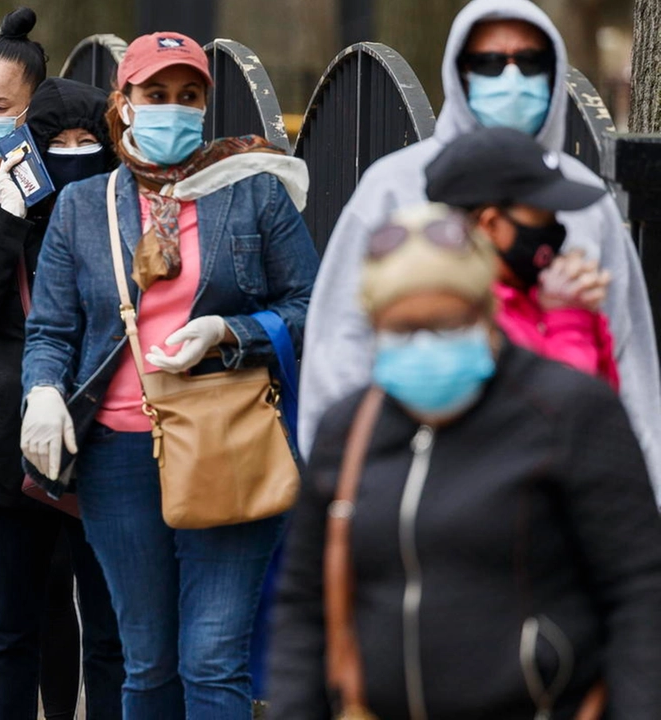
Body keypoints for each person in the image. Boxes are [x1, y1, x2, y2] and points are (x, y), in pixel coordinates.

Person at [20, 31, 318, 718]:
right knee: (146, 662)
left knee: (213, 662)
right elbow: (52, 328)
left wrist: (228, 333)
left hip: (229, 440)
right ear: (123, 103)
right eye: (156, 94)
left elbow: (312, 306)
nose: (173, 110)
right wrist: (41, 392)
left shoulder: (255, 194)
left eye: (189, 96)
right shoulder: (83, 207)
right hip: (116, 455)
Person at [270, 203, 661, 719]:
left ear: (485, 313)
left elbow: (639, 590)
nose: (426, 343)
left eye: (448, 323)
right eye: (404, 328)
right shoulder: (349, 429)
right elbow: (305, 599)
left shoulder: (569, 412)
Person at [298, 0, 661, 493]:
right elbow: (339, 343)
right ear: (459, 72)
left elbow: (628, 352)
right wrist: (348, 481)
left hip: (563, 492)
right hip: (408, 481)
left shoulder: (585, 200)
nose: (512, 78)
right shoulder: (392, 187)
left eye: (531, 62)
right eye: (490, 63)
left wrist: (642, 490)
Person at [0, 49, 128, 720]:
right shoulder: (1, 213)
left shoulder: (121, 221)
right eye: (58, 142)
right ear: (31, 148)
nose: (75, 154)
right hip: (2, 439)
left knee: (110, 632)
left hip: (106, 435)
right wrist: (14, 211)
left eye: (89, 142)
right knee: (9, 626)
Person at [425, 126, 618, 387]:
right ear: (490, 224)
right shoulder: (460, 315)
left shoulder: (535, 292)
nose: (555, 229)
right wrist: (569, 319)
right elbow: (558, 413)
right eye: (542, 213)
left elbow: (604, 402)